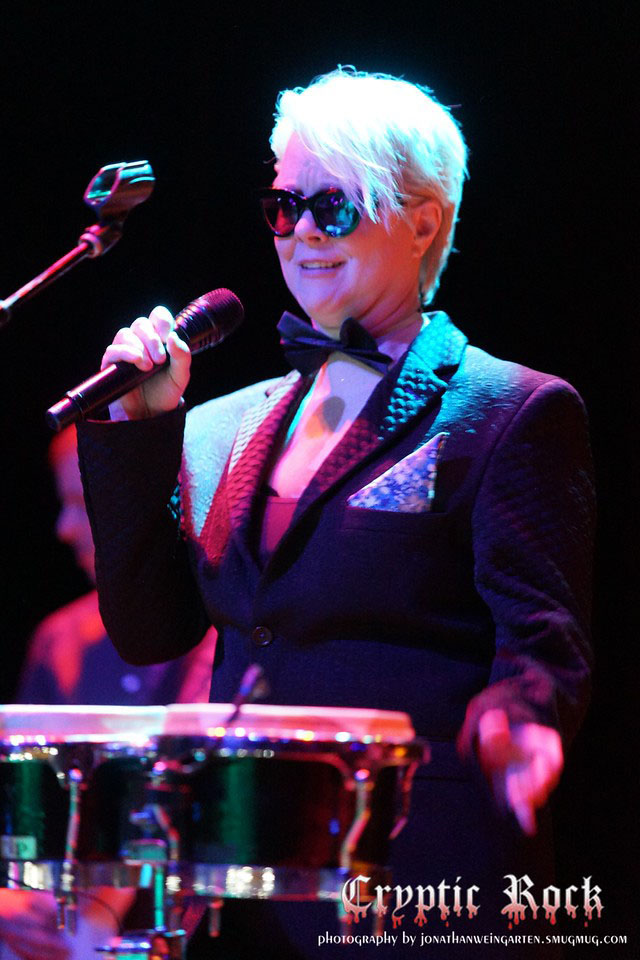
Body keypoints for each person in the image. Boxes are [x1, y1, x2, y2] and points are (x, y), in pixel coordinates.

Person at [75, 68, 594, 957]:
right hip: (238, 896)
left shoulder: (509, 410)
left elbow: (541, 642)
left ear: (423, 221)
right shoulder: (222, 426)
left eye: (336, 206)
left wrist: (522, 722)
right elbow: (150, 631)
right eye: (285, 207)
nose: (304, 231)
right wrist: (142, 429)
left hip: (412, 886)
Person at [0, 427, 216, 960]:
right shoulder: (60, 639)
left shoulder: (224, 633)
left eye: (83, 505)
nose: (63, 528)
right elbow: (19, 808)